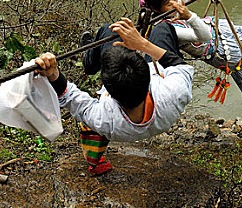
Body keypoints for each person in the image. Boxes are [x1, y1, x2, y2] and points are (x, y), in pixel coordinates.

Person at [35, 17, 193, 175]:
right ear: (149, 75)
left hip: (124, 111)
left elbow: (68, 96)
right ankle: (97, 53)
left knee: (110, 31)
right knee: (162, 28)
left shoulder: (104, 119)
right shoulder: (174, 92)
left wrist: (52, 72)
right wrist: (143, 44)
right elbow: (180, 66)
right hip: (160, 105)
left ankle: (90, 61)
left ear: (107, 92)